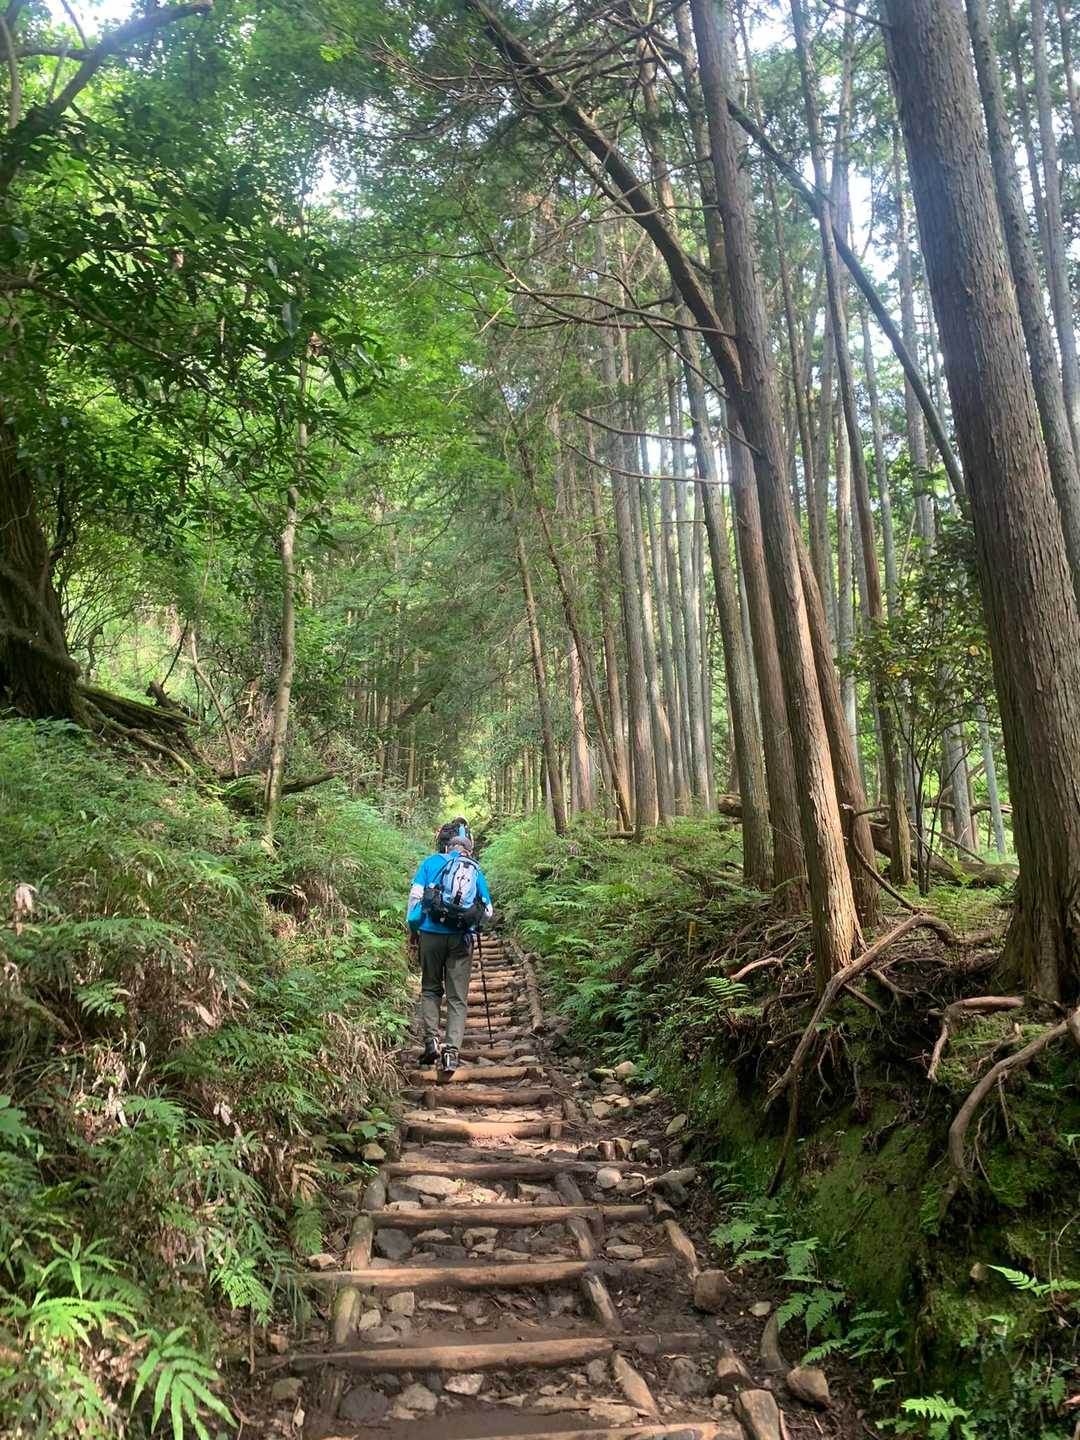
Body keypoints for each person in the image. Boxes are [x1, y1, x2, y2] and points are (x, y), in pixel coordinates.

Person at [407, 833, 492, 1076]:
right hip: (460, 939)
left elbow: (415, 899)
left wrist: (413, 930)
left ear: (447, 847)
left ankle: (431, 1041)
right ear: (469, 851)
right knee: (457, 998)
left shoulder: (430, 863)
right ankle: (451, 1054)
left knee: (430, 989)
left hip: (430, 935)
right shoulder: (474, 869)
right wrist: (471, 923)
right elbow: (487, 911)